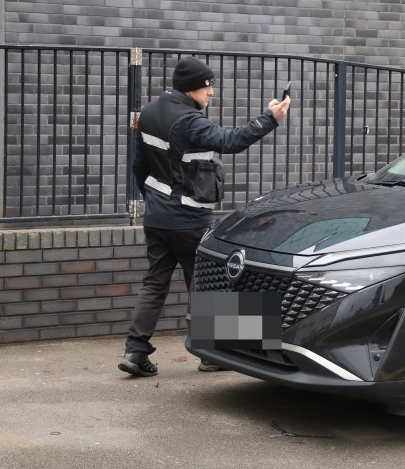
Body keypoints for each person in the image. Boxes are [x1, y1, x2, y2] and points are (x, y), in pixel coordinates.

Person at [118, 56, 290, 377]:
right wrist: (271, 117)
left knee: (155, 283)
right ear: (191, 88)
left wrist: (154, 202)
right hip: (188, 217)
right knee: (210, 281)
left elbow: (139, 166)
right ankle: (215, 355)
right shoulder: (189, 121)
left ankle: (135, 350)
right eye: (208, 87)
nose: (211, 93)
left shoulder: (150, 112)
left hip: (157, 215)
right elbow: (230, 140)